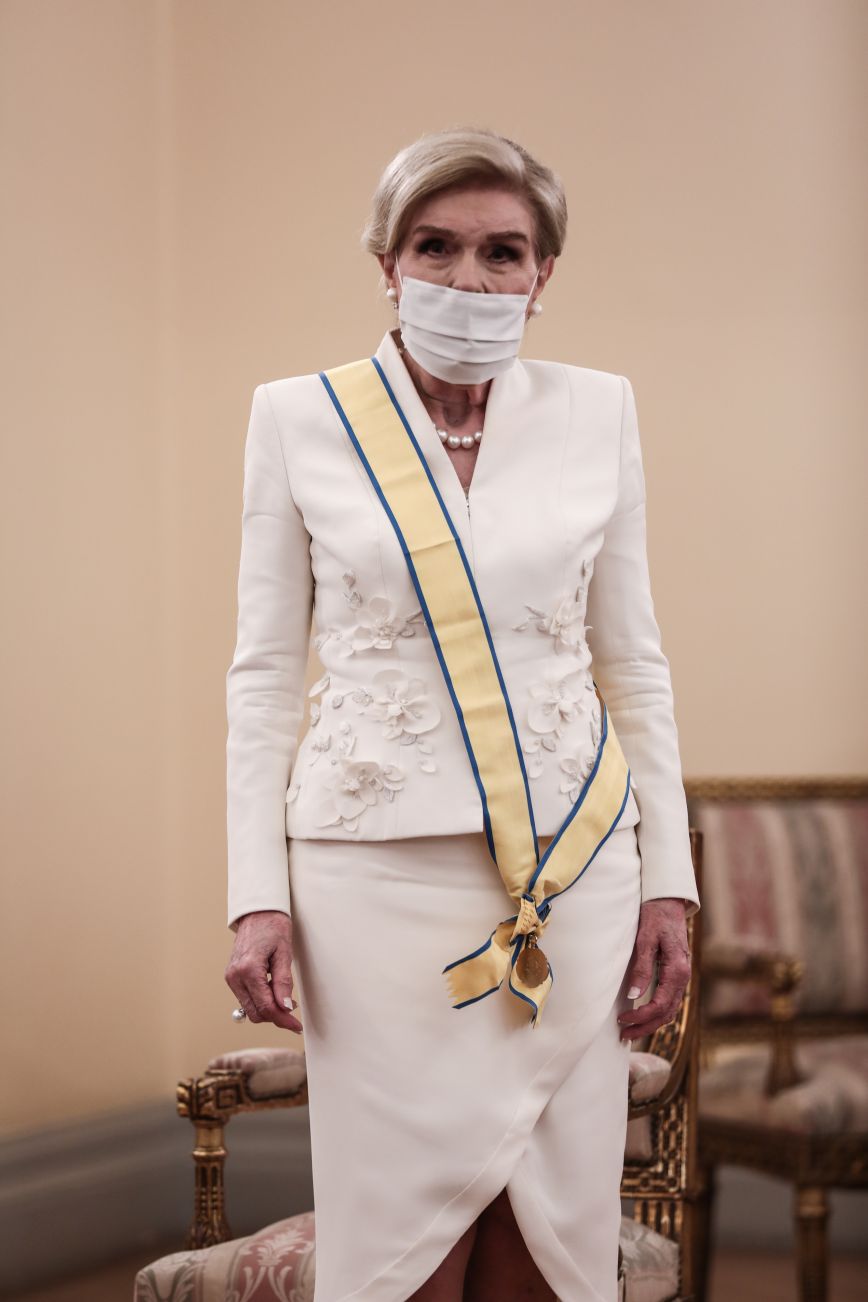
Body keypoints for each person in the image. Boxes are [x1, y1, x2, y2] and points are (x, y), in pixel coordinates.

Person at [224, 127, 699, 1302]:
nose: (469, 278)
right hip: (369, 883)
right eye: (434, 247)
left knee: (546, 1240)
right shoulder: (299, 416)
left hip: (573, 874)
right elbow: (262, 676)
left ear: (543, 273)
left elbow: (634, 666)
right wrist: (254, 894)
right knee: (406, 1250)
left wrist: (668, 883)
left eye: (502, 251)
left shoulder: (598, 411)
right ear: (386, 264)